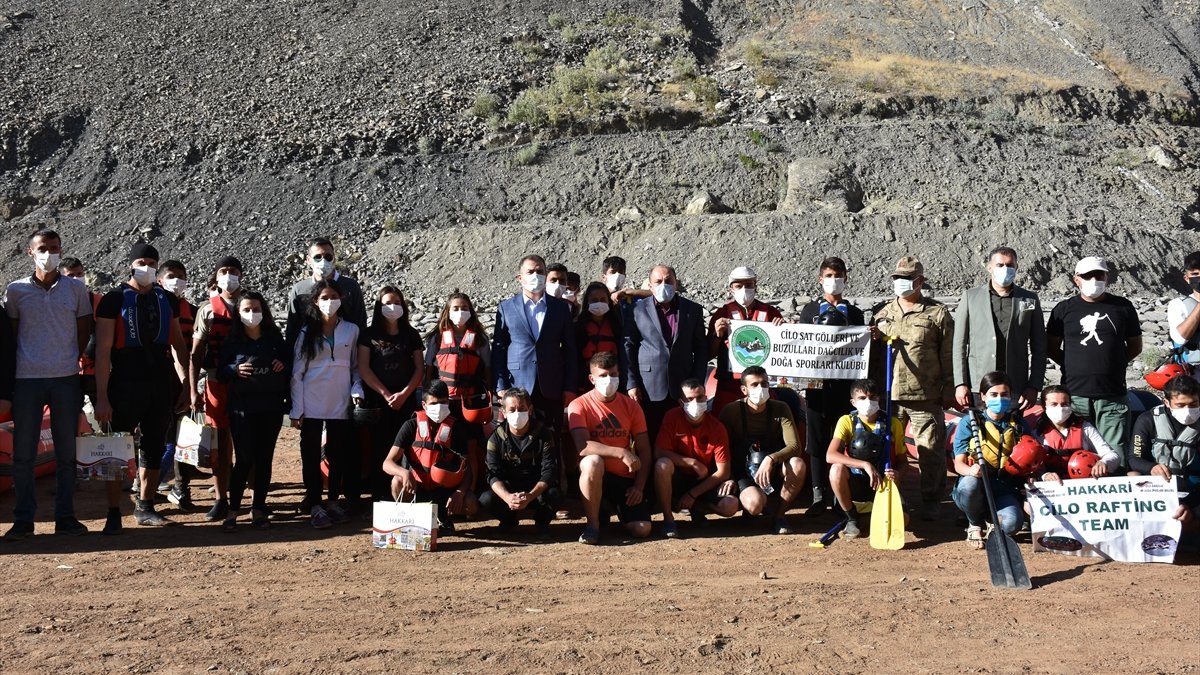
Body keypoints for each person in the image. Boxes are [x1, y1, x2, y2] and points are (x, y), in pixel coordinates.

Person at [3, 229, 92, 540]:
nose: (49, 253)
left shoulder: (76, 290)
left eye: (54, 248)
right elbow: (12, 336)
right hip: (26, 380)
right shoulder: (15, 291)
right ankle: (24, 520)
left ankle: (65, 517)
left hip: (66, 379)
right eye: (43, 248)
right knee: (23, 453)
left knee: (66, 452)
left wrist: (68, 359)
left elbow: (83, 331)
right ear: (31, 252)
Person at [94, 242, 189, 532]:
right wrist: (101, 398)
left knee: (153, 446)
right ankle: (113, 513)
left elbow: (178, 345)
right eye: (142, 262)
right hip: (124, 383)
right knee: (116, 448)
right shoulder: (113, 299)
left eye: (151, 262)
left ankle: (145, 507)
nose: (147, 267)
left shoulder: (167, 300)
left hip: (160, 384)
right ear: (132, 265)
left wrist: (186, 385)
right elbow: (103, 352)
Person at [872, 255, 954, 521]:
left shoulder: (937, 313)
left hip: (924, 394)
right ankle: (895, 498)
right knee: (888, 449)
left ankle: (931, 500)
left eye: (907, 278)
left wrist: (949, 387)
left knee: (929, 451)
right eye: (898, 278)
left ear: (920, 281)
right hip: (889, 396)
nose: (901, 283)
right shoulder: (882, 314)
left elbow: (949, 354)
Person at [1047, 256, 1142, 459]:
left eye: (1098, 275)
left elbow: (1135, 345)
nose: (1093, 280)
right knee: (1075, 456)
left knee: (1115, 456)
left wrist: (1114, 363)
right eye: (1087, 276)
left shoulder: (1122, 307)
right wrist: (1071, 365)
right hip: (1074, 396)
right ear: (1076, 279)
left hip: (1112, 396)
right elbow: (1051, 348)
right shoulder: (1063, 310)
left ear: (1107, 277)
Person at [290, 280, 364, 529]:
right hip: (311, 403)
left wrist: (357, 389)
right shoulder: (306, 332)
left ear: (341, 299)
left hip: (340, 402)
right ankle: (314, 505)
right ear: (315, 301)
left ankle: (333, 501)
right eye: (324, 297)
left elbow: (355, 367)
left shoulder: (352, 330)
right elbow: (298, 372)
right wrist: (297, 408)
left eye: (334, 296)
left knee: (337, 455)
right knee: (310, 455)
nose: (329, 301)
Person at [797, 257, 866, 514]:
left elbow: (863, 347)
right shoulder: (809, 311)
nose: (833, 280)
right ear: (820, 279)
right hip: (816, 385)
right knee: (816, 440)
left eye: (838, 275)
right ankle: (818, 493)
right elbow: (798, 344)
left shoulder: (855, 312)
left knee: (843, 436)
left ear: (845, 278)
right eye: (828, 275)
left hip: (844, 385)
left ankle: (840, 493)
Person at [216, 292, 289, 531]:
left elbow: (290, 363)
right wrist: (234, 369)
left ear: (264, 312)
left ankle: (258, 509)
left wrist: (282, 364)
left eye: (256, 309)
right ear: (238, 314)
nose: (252, 314)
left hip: (271, 407)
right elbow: (219, 371)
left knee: (264, 458)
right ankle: (233, 512)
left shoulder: (275, 339)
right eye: (246, 309)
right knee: (244, 459)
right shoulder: (233, 341)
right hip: (242, 409)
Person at [567, 351, 652, 544]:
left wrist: (639, 486)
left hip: (624, 479)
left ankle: (610, 508)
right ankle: (593, 525)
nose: (609, 380)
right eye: (603, 376)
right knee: (593, 461)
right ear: (592, 378)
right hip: (594, 475)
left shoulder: (631, 406)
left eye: (613, 374)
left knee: (642, 529)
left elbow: (645, 450)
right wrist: (621, 452)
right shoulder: (578, 405)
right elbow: (583, 446)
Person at [953, 246, 1047, 411]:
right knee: (980, 434)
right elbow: (959, 345)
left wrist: (1034, 386)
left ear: (1017, 267)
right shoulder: (971, 297)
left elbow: (1039, 347)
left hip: (1015, 386)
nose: (1005, 269)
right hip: (980, 385)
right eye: (1000, 265)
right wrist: (961, 383)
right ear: (990, 268)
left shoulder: (1029, 299)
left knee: (1013, 434)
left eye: (1010, 265)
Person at [719, 365, 807, 534]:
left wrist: (771, 459)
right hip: (742, 471)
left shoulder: (781, 408)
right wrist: (728, 476)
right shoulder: (731, 411)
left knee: (798, 464)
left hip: (771, 468)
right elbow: (721, 448)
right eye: (755, 385)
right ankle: (750, 505)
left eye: (765, 384)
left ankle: (779, 516)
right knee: (754, 505)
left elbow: (795, 447)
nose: (761, 388)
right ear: (744, 389)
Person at [187, 256, 242, 521]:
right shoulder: (207, 310)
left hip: (247, 383)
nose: (229, 275)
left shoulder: (251, 306)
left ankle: (250, 498)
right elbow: (196, 353)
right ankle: (221, 499)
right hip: (216, 383)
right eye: (224, 271)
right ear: (216, 276)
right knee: (220, 443)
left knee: (247, 442)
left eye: (233, 271)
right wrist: (193, 390)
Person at [492, 254, 578, 424]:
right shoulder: (506, 307)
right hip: (517, 383)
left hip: (552, 385)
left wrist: (569, 387)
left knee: (552, 439)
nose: (535, 275)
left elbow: (570, 349)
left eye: (539, 271)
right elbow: (499, 348)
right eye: (530, 271)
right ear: (520, 277)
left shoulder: (560, 307)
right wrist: (500, 385)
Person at [625, 264, 708, 440]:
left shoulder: (692, 310)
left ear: (676, 283)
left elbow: (701, 349)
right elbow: (628, 346)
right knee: (649, 436)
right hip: (649, 388)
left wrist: (697, 383)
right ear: (650, 286)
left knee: (681, 438)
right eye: (658, 281)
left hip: (683, 388)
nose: (664, 285)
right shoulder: (636, 310)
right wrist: (631, 383)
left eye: (668, 281)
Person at [950, 371, 1032, 549]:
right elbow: (958, 463)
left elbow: (1033, 459)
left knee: (1011, 524)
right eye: (994, 395)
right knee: (969, 484)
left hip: (1004, 487)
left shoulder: (1018, 424)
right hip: (977, 484)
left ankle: (992, 519)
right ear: (983, 397)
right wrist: (970, 471)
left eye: (1005, 395)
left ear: (1011, 396)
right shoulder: (969, 422)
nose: (1000, 399)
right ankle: (974, 523)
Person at [357, 286, 424, 503]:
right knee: (379, 447)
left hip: (406, 402)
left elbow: (419, 369)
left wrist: (404, 394)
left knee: (407, 446)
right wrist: (386, 394)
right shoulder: (369, 335)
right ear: (378, 306)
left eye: (396, 303)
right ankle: (379, 496)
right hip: (378, 401)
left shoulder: (411, 335)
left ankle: (407, 493)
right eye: (387, 303)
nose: (392, 307)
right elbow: (364, 368)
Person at [382, 380, 479, 529]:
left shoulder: (457, 428)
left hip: (444, 489)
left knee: (471, 503)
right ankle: (409, 519)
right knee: (397, 481)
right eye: (434, 404)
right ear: (424, 405)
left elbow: (467, 469)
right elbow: (387, 463)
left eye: (443, 402)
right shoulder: (411, 426)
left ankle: (444, 517)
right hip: (417, 487)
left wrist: (460, 492)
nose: (439, 407)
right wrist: (404, 473)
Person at [653, 377, 739, 538]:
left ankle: (698, 507)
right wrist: (691, 462)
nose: (696, 403)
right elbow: (659, 452)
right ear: (681, 402)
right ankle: (668, 520)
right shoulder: (671, 417)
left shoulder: (717, 427)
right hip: (678, 477)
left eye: (700, 397)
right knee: (662, 465)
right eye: (690, 399)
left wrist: (692, 495)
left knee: (730, 506)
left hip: (704, 481)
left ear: (706, 398)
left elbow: (723, 472)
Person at [824, 378, 910, 539]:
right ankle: (852, 517)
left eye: (873, 397)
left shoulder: (893, 424)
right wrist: (865, 465)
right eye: (862, 398)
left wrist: (898, 474)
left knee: (904, 521)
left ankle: (871, 518)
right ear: (853, 402)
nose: (868, 401)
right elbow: (831, 455)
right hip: (856, 481)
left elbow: (904, 462)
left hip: (884, 484)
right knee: (836, 469)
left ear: (879, 399)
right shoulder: (846, 421)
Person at [479, 387, 560, 535]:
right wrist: (507, 497)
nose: (517, 413)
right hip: (510, 489)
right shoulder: (495, 438)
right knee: (486, 499)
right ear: (504, 412)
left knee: (554, 493)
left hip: (535, 489)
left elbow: (549, 470)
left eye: (521, 408)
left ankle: (542, 523)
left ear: (530, 410)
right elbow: (492, 473)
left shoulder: (544, 434)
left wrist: (530, 495)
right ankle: (508, 520)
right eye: (512, 409)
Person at [708, 266, 784, 414]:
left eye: (749, 285)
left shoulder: (771, 313)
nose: (744, 289)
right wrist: (717, 336)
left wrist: (785, 328)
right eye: (739, 285)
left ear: (756, 286)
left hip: (761, 384)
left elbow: (785, 348)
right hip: (729, 385)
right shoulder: (722, 314)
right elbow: (709, 354)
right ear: (731, 288)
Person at [157, 260, 198, 507]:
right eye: (171, 276)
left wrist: (190, 384)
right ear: (159, 280)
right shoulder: (150, 308)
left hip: (183, 379)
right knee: (161, 436)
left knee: (183, 435)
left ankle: (181, 487)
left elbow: (195, 349)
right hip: (156, 377)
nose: (177, 281)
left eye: (181, 276)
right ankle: (146, 483)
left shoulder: (192, 311)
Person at [285, 237, 367, 345]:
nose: (323, 261)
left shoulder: (350, 286)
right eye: (317, 257)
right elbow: (293, 328)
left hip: (345, 352)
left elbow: (360, 322)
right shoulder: (300, 290)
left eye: (328, 257)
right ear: (308, 260)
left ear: (334, 259)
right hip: (310, 353)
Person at [1031, 384, 1120, 480]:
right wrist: (1045, 476)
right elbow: (1034, 468)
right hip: (1054, 487)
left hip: (1084, 483)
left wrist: (1104, 463)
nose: (1060, 408)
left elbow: (1113, 456)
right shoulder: (1037, 434)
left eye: (1065, 404)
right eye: (1054, 404)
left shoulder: (1085, 428)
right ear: (1044, 407)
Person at [1129, 374, 1200, 494]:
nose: (1188, 410)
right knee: (1132, 475)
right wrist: (1151, 467)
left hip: (1194, 484)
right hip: (1158, 484)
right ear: (1167, 402)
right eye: (1180, 405)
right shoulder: (1147, 420)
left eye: (1193, 404)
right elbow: (1134, 458)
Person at [425, 291, 491, 419]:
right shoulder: (437, 338)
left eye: (464, 308)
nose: (460, 312)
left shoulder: (480, 339)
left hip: (471, 398)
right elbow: (429, 367)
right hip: (443, 399)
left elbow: (487, 367)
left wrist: (489, 392)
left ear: (470, 311)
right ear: (448, 312)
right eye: (455, 308)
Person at [574, 281, 625, 394]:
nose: (599, 303)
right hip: (586, 382)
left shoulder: (617, 324)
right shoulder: (578, 327)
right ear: (587, 302)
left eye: (603, 299)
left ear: (608, 301)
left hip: (612, 379)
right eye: (594, 300)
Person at [1166, 251, 1200, 369]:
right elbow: (1180, 338)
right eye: (1195, 273)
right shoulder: (1178, 304)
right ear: (1187, 278)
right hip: (1193, 374)